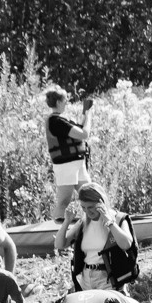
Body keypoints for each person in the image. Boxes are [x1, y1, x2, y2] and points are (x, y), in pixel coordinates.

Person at [52, 181, 137, 292]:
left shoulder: (118, 219)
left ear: (101, 202)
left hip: (109, 279)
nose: (87, 212)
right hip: (86, 279)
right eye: (83, 207)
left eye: (91, 207)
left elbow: (126, 244)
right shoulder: (83, 223)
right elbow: (59, 244)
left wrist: (109, 222)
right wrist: (67, 221)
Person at [43, 86, 93, 217]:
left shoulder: (62, 119)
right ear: (58, 102)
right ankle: (56, 226)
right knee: (64, 202)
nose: (67, 103)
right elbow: (84, 134)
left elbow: (79, 129)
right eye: (65, 100)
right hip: (66, 166)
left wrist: (85, 112)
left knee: (91, 197)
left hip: (78, 164)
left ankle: (94, 224)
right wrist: (89, 116)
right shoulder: (56, 121)